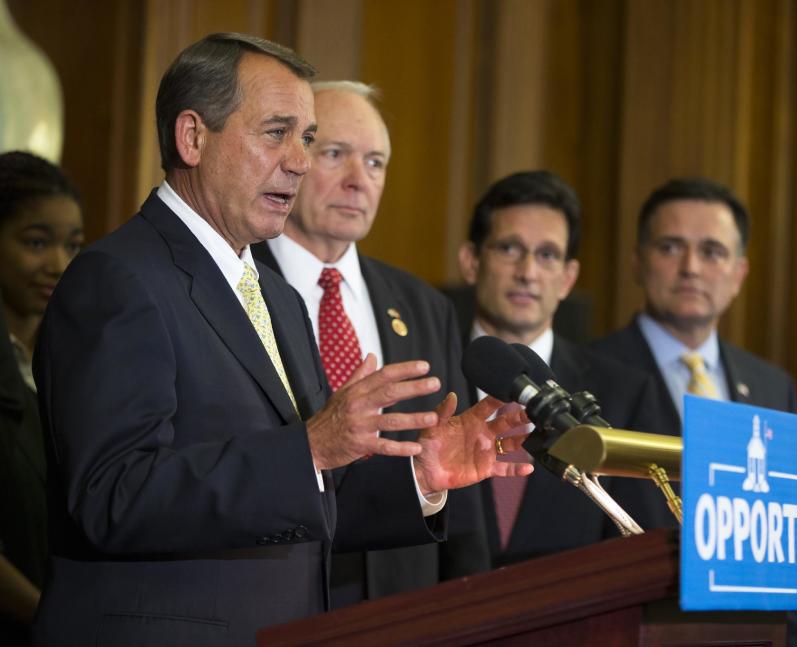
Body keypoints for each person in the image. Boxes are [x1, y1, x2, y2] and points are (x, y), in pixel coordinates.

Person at [31, 33, 529, 647]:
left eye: (307, 138)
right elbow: (114, 495)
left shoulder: (277, 298)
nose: (298, 160)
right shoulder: (118, 278)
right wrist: (311, 448)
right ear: (193, 137)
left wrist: (422, 474)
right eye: (276, 133)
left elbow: (307, 498)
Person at [252, 81, 488, 607]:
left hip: (404, 603)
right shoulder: (238, 286)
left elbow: (461, 480)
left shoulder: (424, 305)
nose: (359, 181)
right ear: (292, 159)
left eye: (376, 163)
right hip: (278, 596)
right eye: (336, 154)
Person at [591, 176, 797, 646]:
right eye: (671, 247)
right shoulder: (588, 375)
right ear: (638, 260)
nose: (690, 267)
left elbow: (793, 549)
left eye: (712, 251)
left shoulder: (775, 388)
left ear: (739, 273)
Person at [457, 170, 674, 567]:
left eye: (547, 255)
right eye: (509, 248)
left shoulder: (624, 392)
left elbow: (643, 551)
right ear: (471, 261)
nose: (528, 272)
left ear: (568, 277)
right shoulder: (424, 375)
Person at [0, 151, 83, 645]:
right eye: (36, 242)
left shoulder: (69, 357)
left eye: (73, 245)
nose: (57, 264)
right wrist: (53, 622)